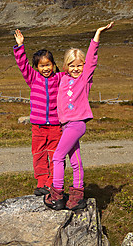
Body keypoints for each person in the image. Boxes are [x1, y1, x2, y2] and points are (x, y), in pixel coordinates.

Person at [44, 22, 114, 210]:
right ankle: (77, 197)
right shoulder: (63, 78)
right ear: (66, 65)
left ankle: (56, 194)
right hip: (66, 125)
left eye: (79, 65)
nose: (76, 68)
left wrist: (97, 35)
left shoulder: (84, 80)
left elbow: (92, 59)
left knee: (58, 157)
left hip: (76, 124)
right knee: (75, 161)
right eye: (72, 65)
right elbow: (45, 72)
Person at [13, 29, 63, 196]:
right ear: (36, 67)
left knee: (55, 156)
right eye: (41, 65)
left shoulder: (59, 79)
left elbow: (75, 72)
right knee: (39, 154)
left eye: (48, 64)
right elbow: (22, 65)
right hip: (38, 126)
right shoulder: (33, 78)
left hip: (56, 125)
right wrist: (20, 46)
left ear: (53, 64)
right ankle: (41, 181)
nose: (45, 68)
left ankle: (51, 183)